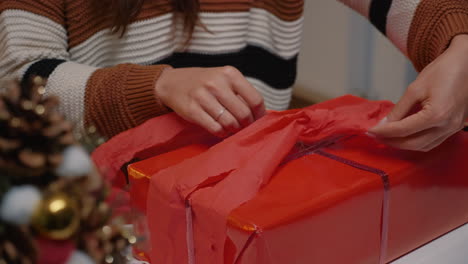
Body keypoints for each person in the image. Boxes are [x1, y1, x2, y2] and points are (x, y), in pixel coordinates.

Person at [0, 0, 467, 151]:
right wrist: (157, 86)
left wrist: (460, 47)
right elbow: (20, 80)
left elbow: (425, 8)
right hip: (100, 213)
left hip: (243, 203)